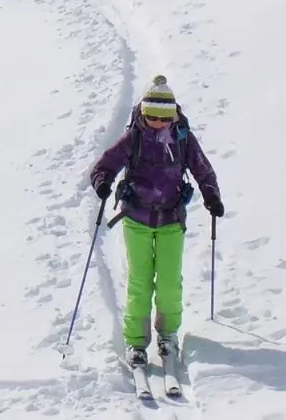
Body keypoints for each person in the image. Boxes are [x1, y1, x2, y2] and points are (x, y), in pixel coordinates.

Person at [87, 76, 224, 368]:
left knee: (169, 282)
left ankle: (167, 334)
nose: (158, 123)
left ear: (173, 115)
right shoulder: (134, 137)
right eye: (152, 117)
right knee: (140, 281)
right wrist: (102, 182)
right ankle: (136, 341)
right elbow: (105, 165)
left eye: (164, 118)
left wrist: (211, 197)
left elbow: (203, 170)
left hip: (171, 219)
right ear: (143, 113)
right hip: (136, 217)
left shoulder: (183, 138)